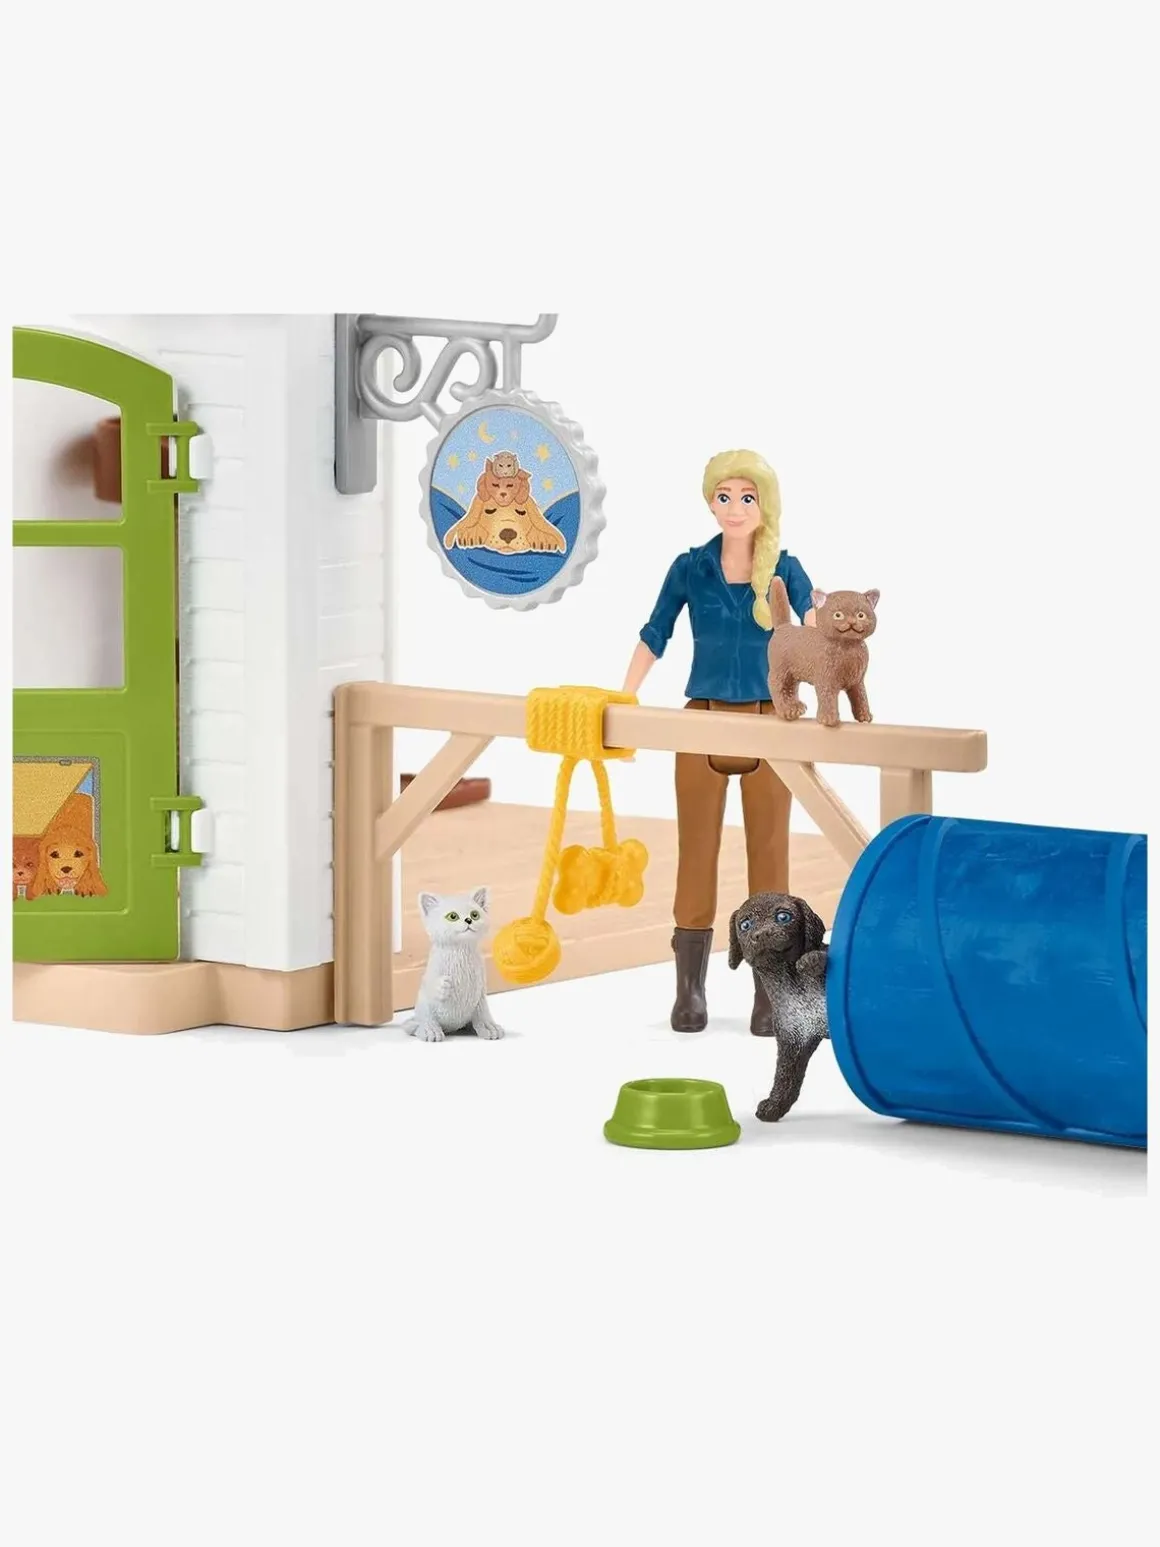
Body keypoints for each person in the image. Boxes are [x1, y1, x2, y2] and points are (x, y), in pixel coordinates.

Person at [621, 449, 815, 1034]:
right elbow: (655, 631)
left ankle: (771, 990)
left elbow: (812, 632)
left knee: (770, 857)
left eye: (746, 498)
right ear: (710, 501)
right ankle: (689, 989)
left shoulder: (786, 568)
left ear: (764, 504)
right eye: (724, 496)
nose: (734, 508)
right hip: (701, 720)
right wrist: (625, 694)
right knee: (696, 853)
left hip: (770, 721)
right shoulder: (690, 568)